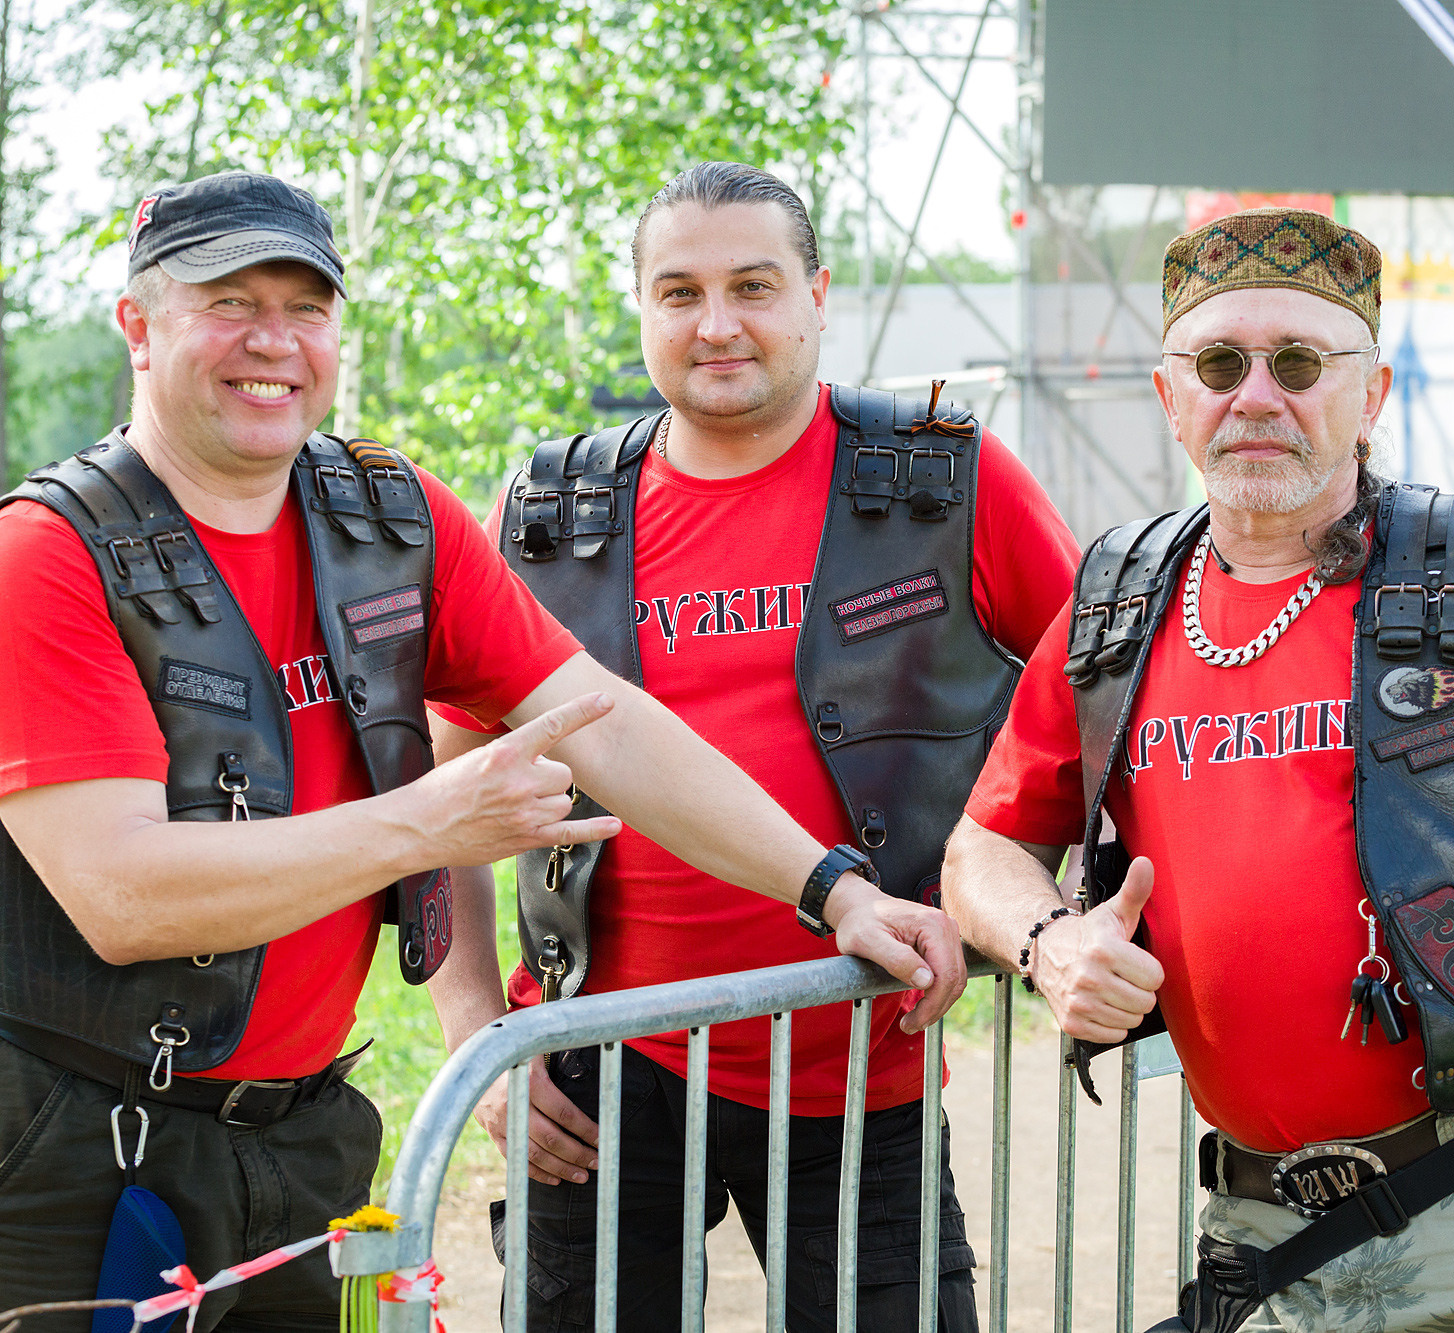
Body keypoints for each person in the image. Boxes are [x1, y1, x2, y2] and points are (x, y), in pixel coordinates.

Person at [0, 169, 966, 1333]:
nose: (274, 341)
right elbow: (125, 896)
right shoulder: (44, 559)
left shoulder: (386, 518)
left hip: (301, 1132)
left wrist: (830, 887)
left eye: (304, 306)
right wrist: (430, 822)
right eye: (227, 302)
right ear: (138, 327)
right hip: (82, 1140)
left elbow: (600, 721)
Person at [941, 207, 1454, 1333]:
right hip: (1257, 1229)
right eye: (1216, 362)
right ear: (1169, 397)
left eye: (1297, 361)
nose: (1254, 394)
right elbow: (980, 848)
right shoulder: (1115, 604)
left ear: (1371, 394)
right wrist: (1051, 943)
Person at [426, 161, 1080, 1331]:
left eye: (753, 285)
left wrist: (1039, 912)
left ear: (819, 295)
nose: (716, 323)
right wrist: (481, 1039)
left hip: (856, 1060)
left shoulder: (940, 479)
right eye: (678, 291)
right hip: (592, 1073)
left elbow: (1100, 702)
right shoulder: (546, 514)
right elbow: (442, 793)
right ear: (639, 309)